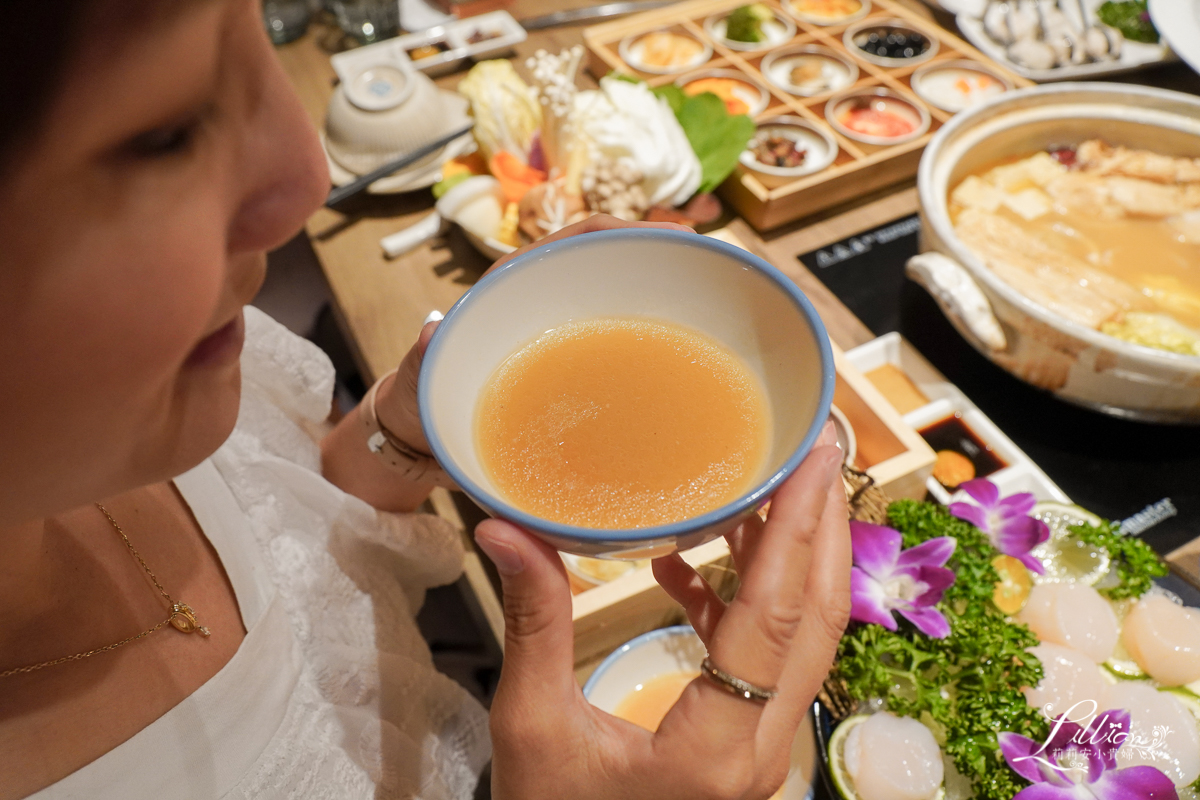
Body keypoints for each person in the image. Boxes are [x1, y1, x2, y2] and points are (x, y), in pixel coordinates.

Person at [0, 0, 852, 797]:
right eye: (168, 131)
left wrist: (405, 432)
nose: (309, 172)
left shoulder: (146, 397)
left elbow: (297, 528)